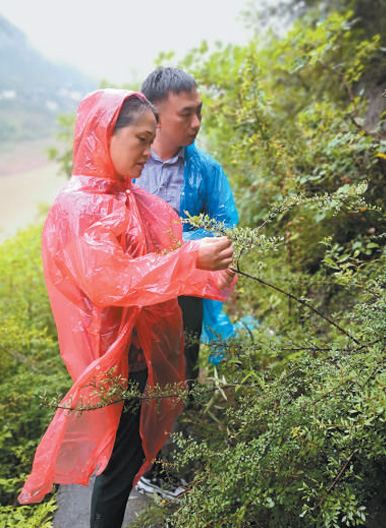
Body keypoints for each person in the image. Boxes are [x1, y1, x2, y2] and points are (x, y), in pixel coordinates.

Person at [17, 89, 236, 528]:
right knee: (119, 467)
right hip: (113, 358)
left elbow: (155, 264)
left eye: (151, 139)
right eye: (140, 139)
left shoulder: (129, 199)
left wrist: (209, 274)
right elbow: (109, 281)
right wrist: (192, 259)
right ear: (105, 134)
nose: (147, 151)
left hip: (139, 353)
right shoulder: (81, 206)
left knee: (125, 459)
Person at [134, 67, 239, 385]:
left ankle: (184, 408)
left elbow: (226, 227)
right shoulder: (130, 162)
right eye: (186, 114)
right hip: (136, 285)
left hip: (186, 290)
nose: (196, 123)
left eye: (199, 112)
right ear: (155, 117)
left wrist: (225, 261)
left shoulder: (206, 170)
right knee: (137, 364)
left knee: (185, 352)